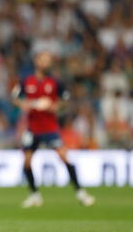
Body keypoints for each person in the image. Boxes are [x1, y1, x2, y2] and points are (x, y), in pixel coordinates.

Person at [12, 51, 96, 208]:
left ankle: (80, 192)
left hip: (50, 128)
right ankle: (34, 195)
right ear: (37, 61)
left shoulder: (55, 82)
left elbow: (64, 102)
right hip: (32, 129)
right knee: (27, 162)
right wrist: (28, 104)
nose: (46, 63)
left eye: (48, 60)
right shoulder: (26, 81)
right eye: (43, 60)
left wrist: (54, 106)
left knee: (63, 157)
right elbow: (15, 98)